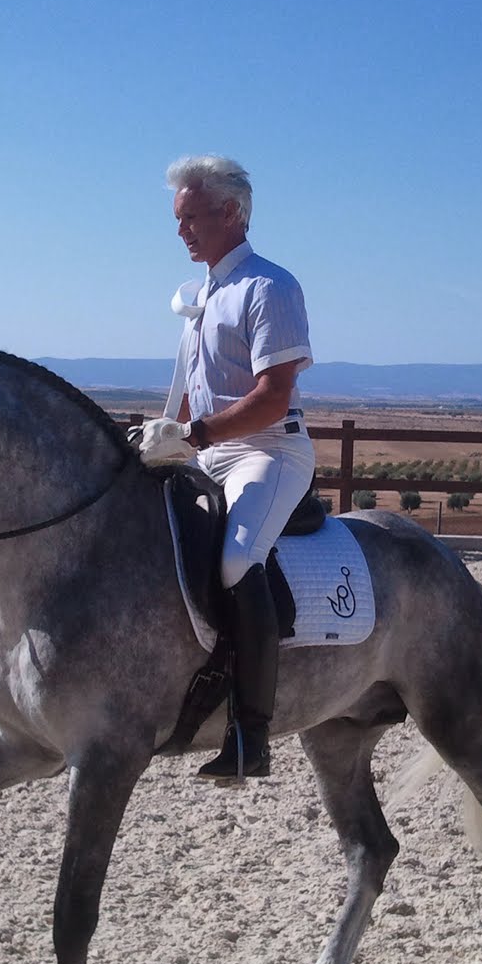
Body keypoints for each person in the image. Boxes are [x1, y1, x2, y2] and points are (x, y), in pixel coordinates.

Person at [136, 155, 317, 782]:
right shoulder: (203, 296)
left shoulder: (270, 287)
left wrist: (195, 435)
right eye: (178, 219)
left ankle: (250, 735)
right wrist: (163, 435)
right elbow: (195, 395)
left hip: (268, 452)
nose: (180, 230)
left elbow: (272, 397)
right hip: (208, 453)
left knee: (238, 559)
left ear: (231, 212)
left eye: (190, 218)